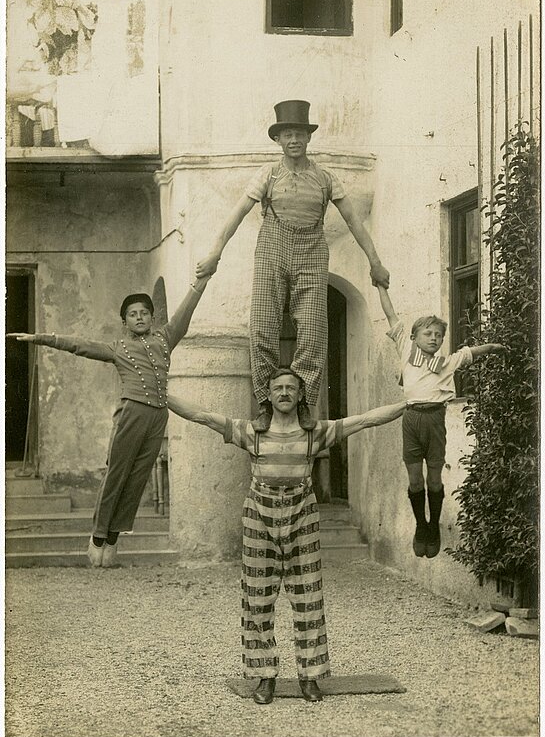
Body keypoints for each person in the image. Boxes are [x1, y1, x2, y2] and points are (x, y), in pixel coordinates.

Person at [168, 367, 405, 704]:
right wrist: (160, 397)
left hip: (302, 516)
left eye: (290, 388)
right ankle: (265, 678)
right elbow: (202, 416)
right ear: (268, 395)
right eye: (277, 388)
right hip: (259, 519)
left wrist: (414, 402)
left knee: (308, 597)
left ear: (300, 395)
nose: (283, 393)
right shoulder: (251, 432)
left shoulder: (316, 433)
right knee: (258, 598)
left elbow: (366, 420)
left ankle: (310, 677)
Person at [195, 100, 390, 433]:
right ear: (278, 140)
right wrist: (215, 254)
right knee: (262, 328)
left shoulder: (326, 178)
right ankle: (265, 404)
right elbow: (238, 213)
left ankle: (303, 403)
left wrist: (376, 263)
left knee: (313, 332)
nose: (294, 140)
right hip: (272, 247)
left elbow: (355, 221)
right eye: (287, 134)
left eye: (299, 133)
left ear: (308, 138)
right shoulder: (268, 174)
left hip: (312, 251)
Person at [8, 274, 211, 568]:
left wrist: (201, 281)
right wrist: (39, 338)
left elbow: (186, 310)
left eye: (144, 313)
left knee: (137, 479)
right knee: (117, 475)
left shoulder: (166, 338)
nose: (139, 317)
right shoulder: (118, 348)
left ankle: (113, 538)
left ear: (152, 317)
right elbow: (78, 345)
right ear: (124, 322)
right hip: (131, 414)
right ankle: (98, 537)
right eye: (132, 314)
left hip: (158, 416)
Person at [376, 284, 506, 559]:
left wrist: (494, 346)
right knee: (414, 479)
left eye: (439, 335)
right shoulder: (405, 351)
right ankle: (420, 525)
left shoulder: (446, 362)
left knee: (433, 478)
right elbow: (390, 315)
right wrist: (380, 286)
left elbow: (471, 352)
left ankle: (433, 524)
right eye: (428, 333)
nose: (434, 338)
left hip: (435, 420)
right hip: (411, 418)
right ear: (414, 336)